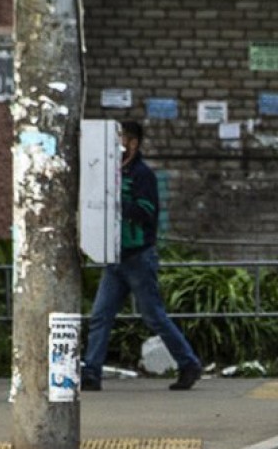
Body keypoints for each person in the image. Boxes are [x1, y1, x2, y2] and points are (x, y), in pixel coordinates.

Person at [81, 121, 202, 391]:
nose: (116, 145)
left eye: (121, 139)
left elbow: (146, 211)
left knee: (153, 315)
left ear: (133, 143)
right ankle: (91, 372)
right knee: (101, 315)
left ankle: (188, 363)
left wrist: (116, 202)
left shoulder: (142, 175)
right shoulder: (111, 172)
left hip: (137, 256)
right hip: (115, 255)